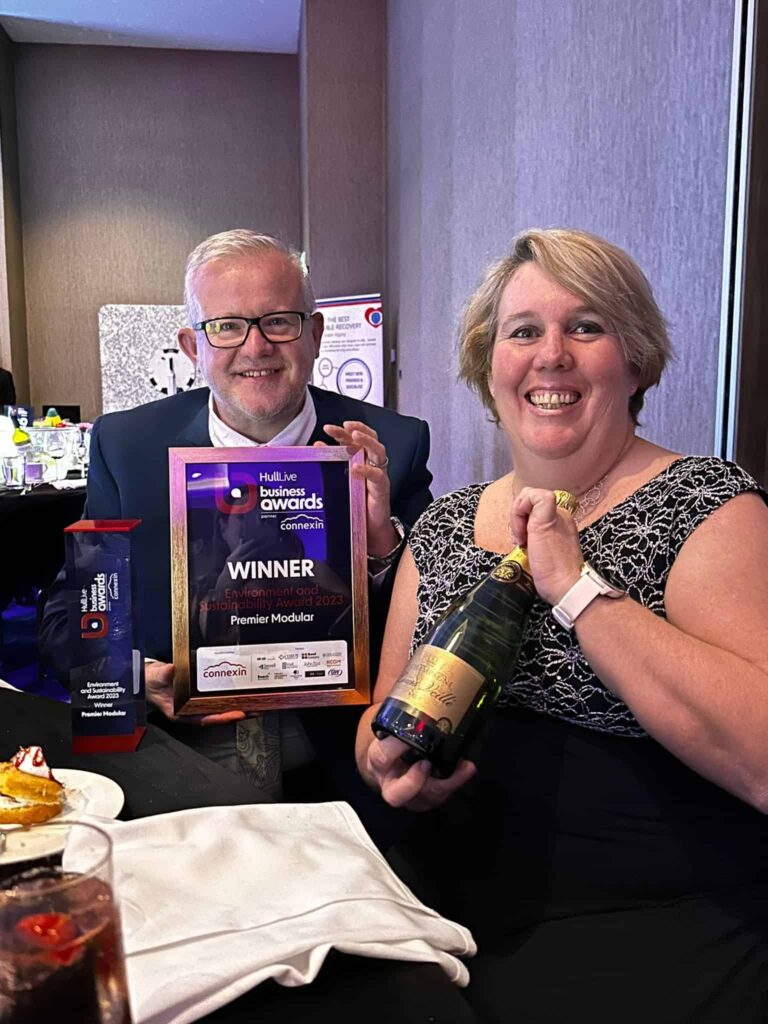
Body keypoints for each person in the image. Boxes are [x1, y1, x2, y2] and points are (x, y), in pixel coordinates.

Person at [356, 228, 768, 1021]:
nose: (551, 355)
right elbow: (378, 719)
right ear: (489, 364)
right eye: (523, 332)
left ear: (636, 359)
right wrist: (388, 766)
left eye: (586, 327)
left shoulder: (709, 505)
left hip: (648, 927)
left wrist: (575, 587)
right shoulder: (442, 526)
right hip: (434, 907)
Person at [40, 230, 432, 821]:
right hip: (177, 762)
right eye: (226, 326)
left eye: (279, 321)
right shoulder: (127, 446)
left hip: (344, 767)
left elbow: (434, 621)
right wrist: (134, 676)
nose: (256, 347)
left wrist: (381, 545)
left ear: (316, 334)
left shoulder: (390, 447)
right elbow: (68, 618)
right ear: (192, 346)